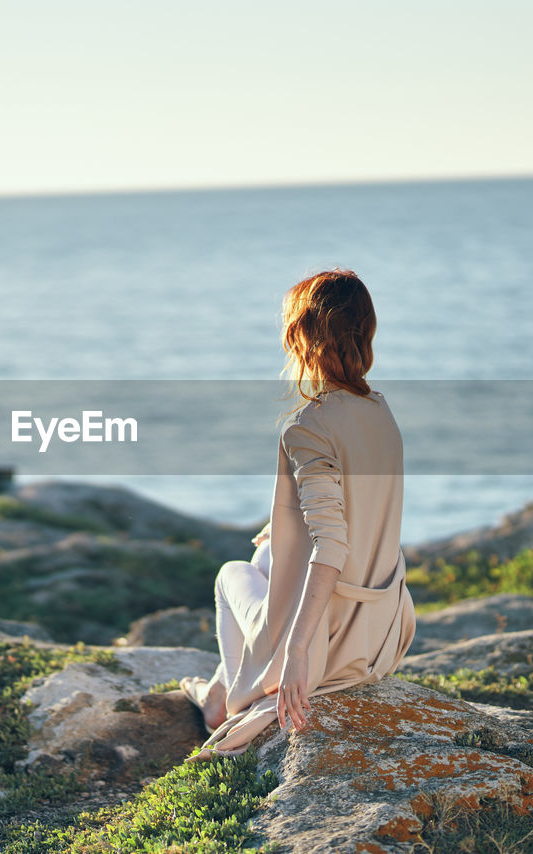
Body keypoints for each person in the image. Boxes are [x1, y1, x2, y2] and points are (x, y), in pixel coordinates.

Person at [179, 268, 416, 762]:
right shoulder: (380, 411)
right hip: (380, 625)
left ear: (300, 338)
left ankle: (224, 702)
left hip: (332, 637)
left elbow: (331, 545)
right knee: (267, 557)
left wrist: (297, 653)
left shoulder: (308, 426)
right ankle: (222, 693)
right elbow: (359, 510)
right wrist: (281, 530)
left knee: (232, 575)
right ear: (365, 332)